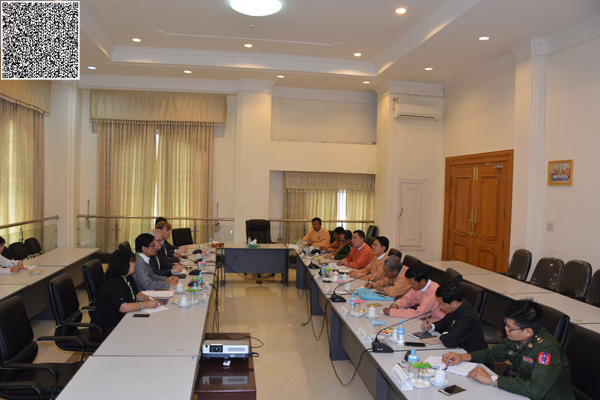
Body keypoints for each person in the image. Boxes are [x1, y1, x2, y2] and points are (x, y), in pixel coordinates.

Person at [442, 299, 574, 400]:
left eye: (510, 328)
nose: (506, 329)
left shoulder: (547, 350)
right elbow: (492, 354)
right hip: (523, 393)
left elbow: (536, 390)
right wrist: (463, 357)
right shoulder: (516, 337)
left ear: (528, 331)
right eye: (506, 324)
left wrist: (492, 379)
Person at [90, 249, 160, 340]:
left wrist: (148, 299)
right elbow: (124, 308)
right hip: (105, 329)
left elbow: (136, 294)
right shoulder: (113, 283)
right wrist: (147, 304)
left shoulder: (127, 277)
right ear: (123, 263)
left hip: (121, 320)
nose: (135, 264)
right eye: (132, 261)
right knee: (143, 333)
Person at [420, 281, 487, 353]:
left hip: (472, 354)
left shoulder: (467, 317)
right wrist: (431, 326)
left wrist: (445, 334)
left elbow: (449, 342)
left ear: (454, 303)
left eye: (443, 305)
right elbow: (444, 323)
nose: (441, 307)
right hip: (458, 350)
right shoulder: (457, 307)